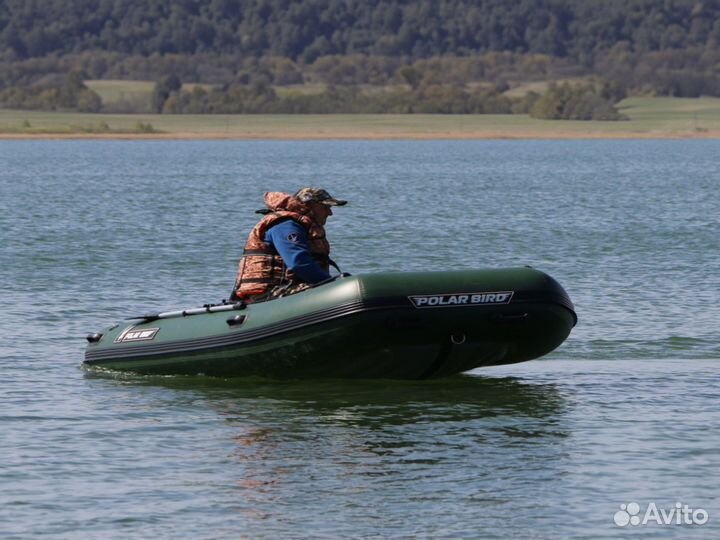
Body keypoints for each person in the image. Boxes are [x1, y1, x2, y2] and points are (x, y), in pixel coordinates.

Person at [231, 187, 347, 303]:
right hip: (271, 294)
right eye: (325, 207)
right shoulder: (286, 225)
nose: (330, 213)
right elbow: (298, 262)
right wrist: (330, 284)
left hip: (286, 290)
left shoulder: (301, 226)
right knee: (342, 295)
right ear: (309, 206)